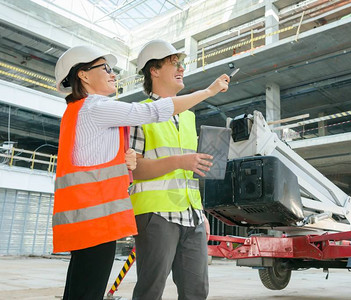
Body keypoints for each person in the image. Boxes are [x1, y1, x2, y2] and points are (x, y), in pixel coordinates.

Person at [53, 45, 229, 300]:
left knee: (82, 290)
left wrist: (125, 160)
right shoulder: (96, 107)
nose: (113, 74)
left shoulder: (81, 112)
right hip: (104, 218)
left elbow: (94, 161)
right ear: (84, 75)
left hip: (94, 219)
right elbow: (151, 112)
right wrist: (210, 91)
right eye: (105, 68)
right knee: (99, 291)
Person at [129, 40, 223, 300]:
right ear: (154, 71)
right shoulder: (140, 113)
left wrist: (200, 212)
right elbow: (134, 169)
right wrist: (181, 162)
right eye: (174, 63)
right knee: (151, 290)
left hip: (190, 216)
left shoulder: (189, 117)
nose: (181, 68)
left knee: (197, 291)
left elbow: (189, 172)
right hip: (156, 215)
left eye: (181, 63)